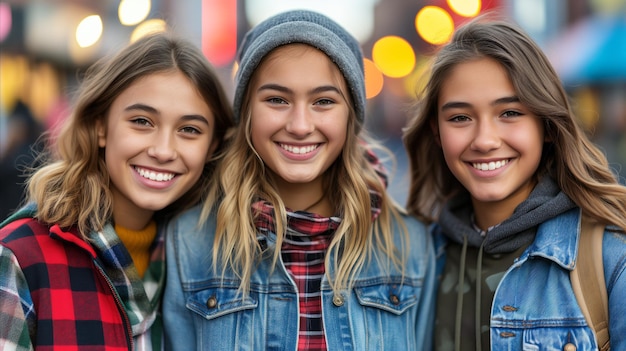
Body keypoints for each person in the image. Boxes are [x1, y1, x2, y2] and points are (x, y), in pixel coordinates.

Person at [163, 9, 436, 350]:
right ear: (247, 112)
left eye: (323, 101)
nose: (300, 125)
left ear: (350, 115)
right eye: (277, 100)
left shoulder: (410, 245)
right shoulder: (189, 241)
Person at [402, 16, 626, 351]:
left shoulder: (612, 258)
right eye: (460, 118)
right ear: (436, 131)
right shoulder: (417, 260)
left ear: (547, 125)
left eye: (510, 113)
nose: (485, 140)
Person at [0, 32, 234, 350]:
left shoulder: (204, 262)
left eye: (189, 130)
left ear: (213, 147)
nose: (164, 150)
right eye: (141, 121)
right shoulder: (20, 257)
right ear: (100, 127)